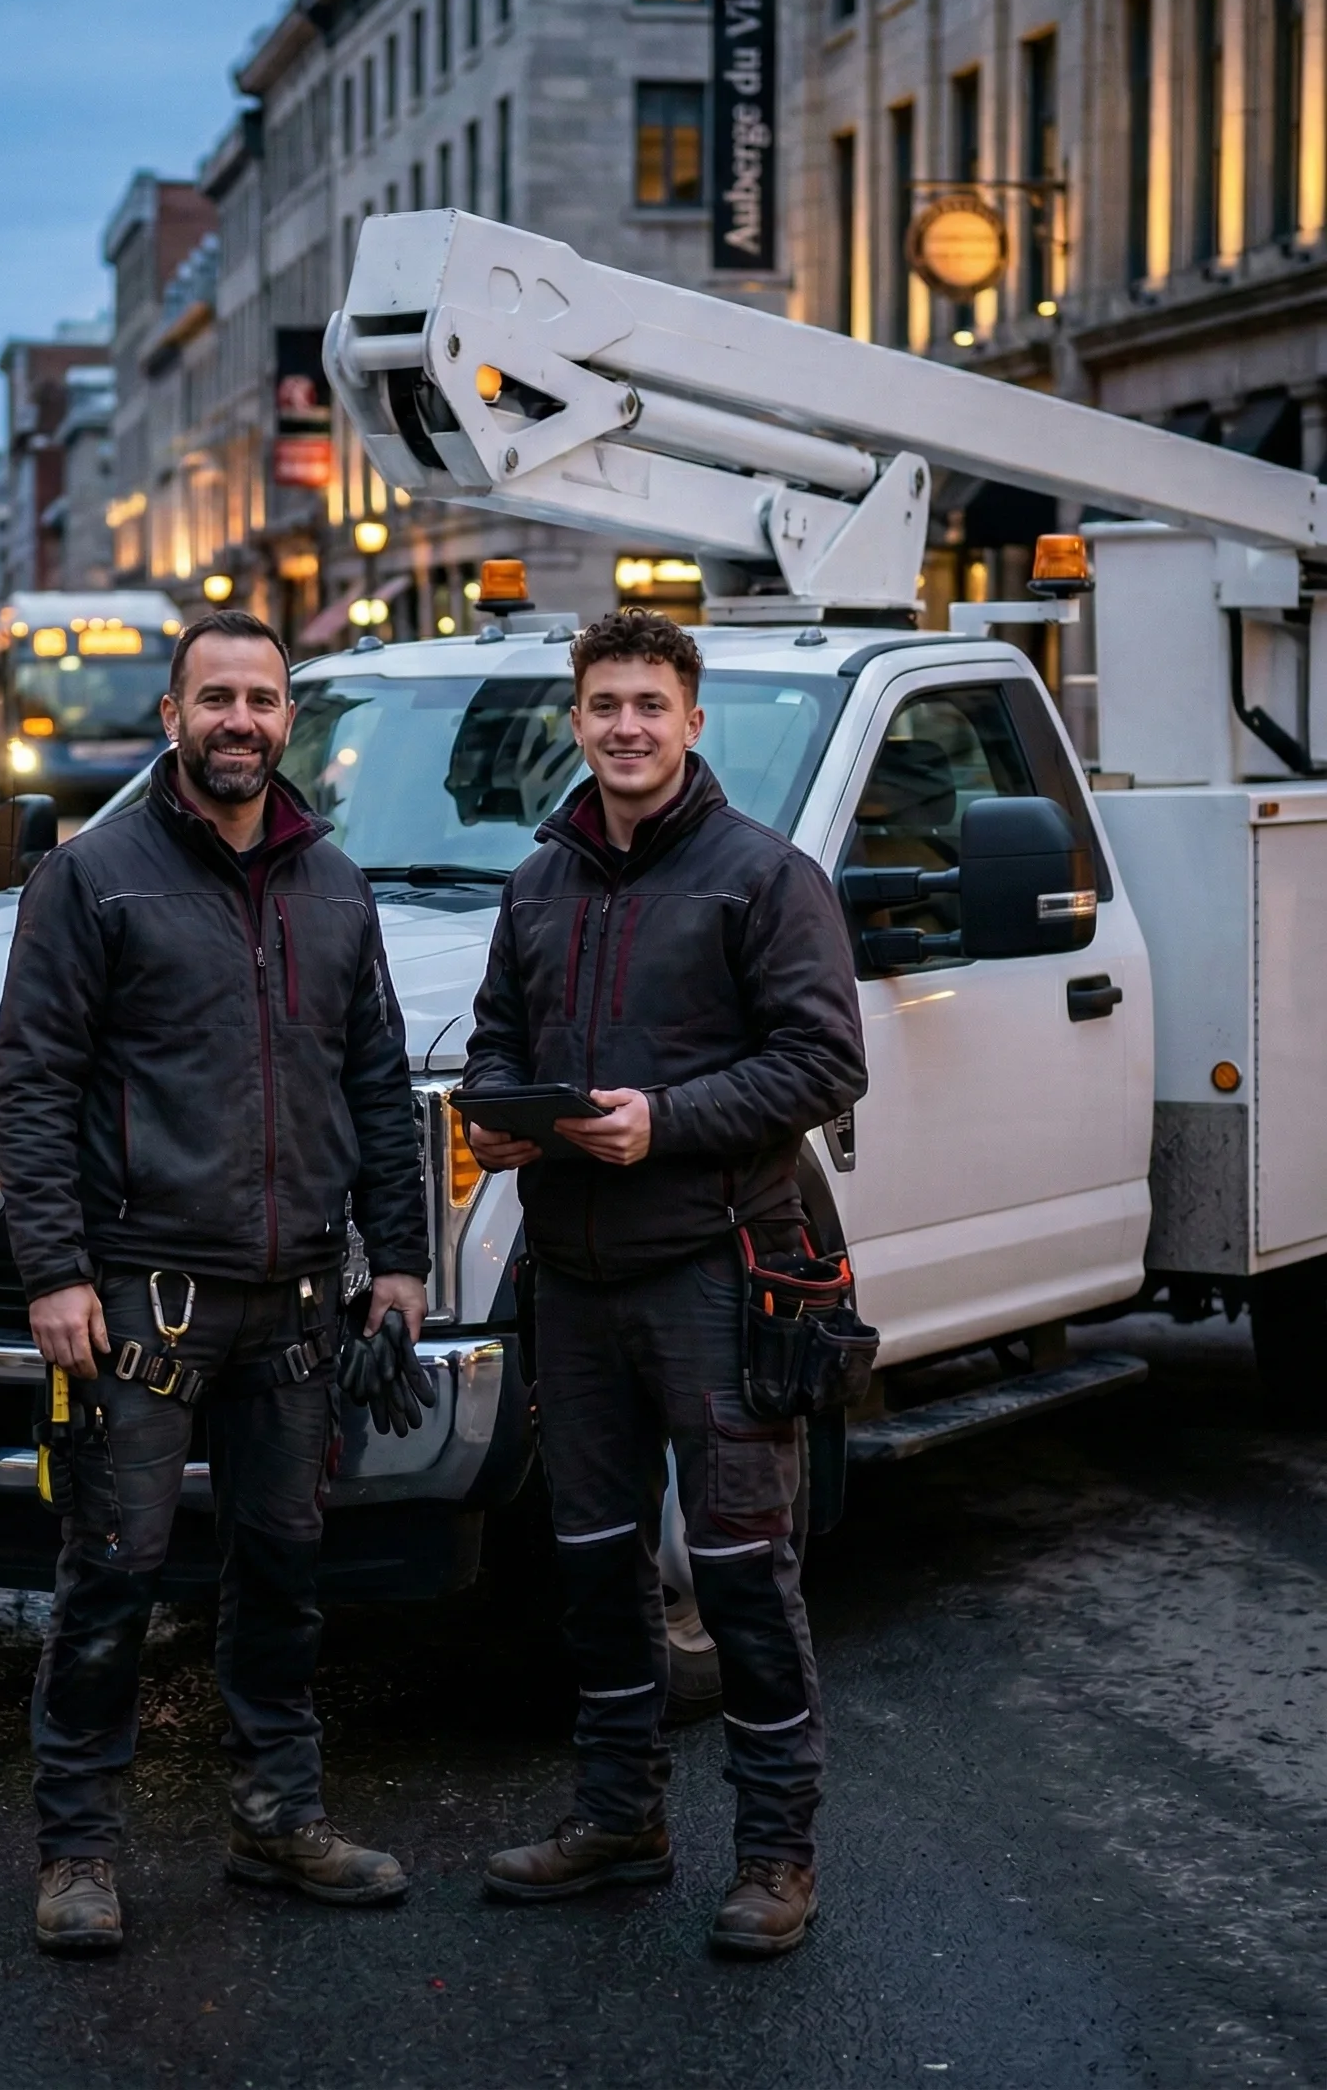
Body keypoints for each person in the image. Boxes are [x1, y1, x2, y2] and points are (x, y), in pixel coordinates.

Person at [0, 608, 428, 1957]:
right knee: (111, 1574)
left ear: (287, 719)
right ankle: (77, 1853)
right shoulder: (94, 878)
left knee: (288, 1571)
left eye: (262, 698)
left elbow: (375, 1084)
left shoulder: (338, 885)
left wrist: (400, 1261)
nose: (240, 719)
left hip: (299, 1306)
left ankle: (276, 1822)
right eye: (216, 697)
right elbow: (35, 1083)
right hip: (141, 1310)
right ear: (175, 717)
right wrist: (56, 1271)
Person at [463, 609, 868, 1959]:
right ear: (573, 722)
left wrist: (667, 1121)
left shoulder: (766, 877)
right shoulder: (537, 882)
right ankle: (619, 1815)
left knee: (747, 1572)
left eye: (649, 703)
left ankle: (776, 1857)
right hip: (572, 1283)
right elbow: (500, 1037)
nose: (624, 726)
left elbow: (823, 1064)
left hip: (718, 1272)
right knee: (595, 1568)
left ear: (694, 720)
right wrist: (497, 1116)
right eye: (602, 705)